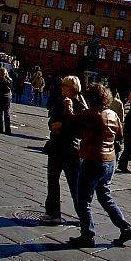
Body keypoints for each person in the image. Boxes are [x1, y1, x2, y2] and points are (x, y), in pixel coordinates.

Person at [64, 83, 131, 248]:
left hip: (92, 159)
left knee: (83, 200)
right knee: (105, 196)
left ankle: (87, 235)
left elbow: (71, 122)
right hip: (109, 161)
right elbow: (120, 135)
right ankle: (125, 228)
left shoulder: (89, 114)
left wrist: (68, 107)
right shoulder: (112, 114)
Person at [43, 76, 86, 224]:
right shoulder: (60, 100)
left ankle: (83, 215)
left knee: (75, 185)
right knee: (52, 181)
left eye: (64, 86)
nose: (61, 88)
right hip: (55, 146)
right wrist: (52, 125)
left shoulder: (80, 104)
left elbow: (81, 127)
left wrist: (62, 126)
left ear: (71, 88)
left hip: (70, 149)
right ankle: (53, 213)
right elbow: (52, 118)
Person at [0, 67, 14, 134]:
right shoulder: (10, 80)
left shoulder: (0, 80)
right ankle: (8, 130)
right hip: (8, 97)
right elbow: (11, 88)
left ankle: (0, 128)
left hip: (1, 97)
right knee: (7, 113)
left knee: (1, 113)